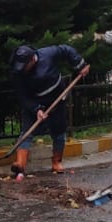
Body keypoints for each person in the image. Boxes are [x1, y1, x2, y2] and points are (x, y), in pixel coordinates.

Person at [8, 43, 90, 178]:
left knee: (59, 132)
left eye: (24, 66)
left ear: (33, 59)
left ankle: (56, 162)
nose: (22, 69)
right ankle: (20, 164)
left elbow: (66, 50)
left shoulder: (47, 54)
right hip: (34, 102)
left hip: (56, 99)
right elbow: (22, 96)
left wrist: (80, 65)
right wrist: (36, 109)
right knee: (26, 132)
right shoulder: (18, 72)